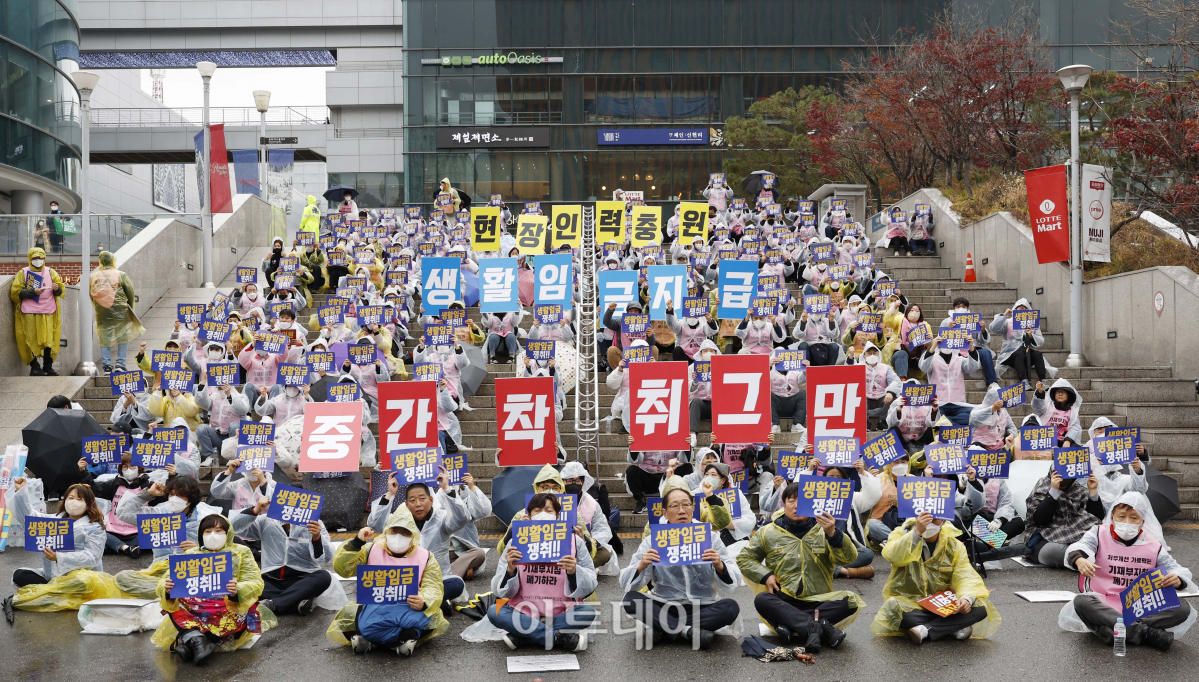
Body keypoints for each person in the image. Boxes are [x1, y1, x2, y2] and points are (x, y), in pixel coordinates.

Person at [737, 481, 865, 652]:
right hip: (784, 599)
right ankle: (820, 626)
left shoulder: (824, 529)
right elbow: (744, 558)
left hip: (819, 600)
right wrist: (766, 575)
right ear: (784, 503)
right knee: (762, 600)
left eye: (803, 500)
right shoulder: (768, 532)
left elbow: (849, 557)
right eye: (791, 500)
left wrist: (833, 535)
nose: (797, 505)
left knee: (850, 602)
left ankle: (791, 625)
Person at [1060, 492, 1191, 651]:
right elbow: (1079, 547)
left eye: (1134, 518)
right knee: (1081, 602)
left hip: (1139, 606)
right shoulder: (1098, 533)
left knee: (1182, 608)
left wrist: (1178, 578)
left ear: (1142, 522)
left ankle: (1112, 630)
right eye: (1121, 517)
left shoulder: (1153, 545)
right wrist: (1079, 559)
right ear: (1112, 517)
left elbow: (1177, 568)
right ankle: (1145, 632)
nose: (1127, 522)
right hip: (1104, 602)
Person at [621, 477, 741, 649]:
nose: (681, 510)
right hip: (665, 603)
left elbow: (733, 578)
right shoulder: (653, 540)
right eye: (674, 506)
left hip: (702, 605)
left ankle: (664, 628)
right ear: (664, 512)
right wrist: (641, 566)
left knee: (730, 607)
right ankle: (688, 632)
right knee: (630, 599)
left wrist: (720, 566)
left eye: (686, 504)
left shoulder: (710, 537)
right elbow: (627, 584)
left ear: (693, 508)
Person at [152, 513, 275, 664]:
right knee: (171, 602)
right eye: (208, 531)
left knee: (245, 607)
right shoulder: (191, 553)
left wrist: (238, 589)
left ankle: (192, 642)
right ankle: (196, 638)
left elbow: (256, 582)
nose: (213, 535)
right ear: (201, 534)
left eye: (218, 531)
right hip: (196, 606)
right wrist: (167, 587)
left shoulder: (241, 552)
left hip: (229, 606)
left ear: (227, 532)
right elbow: (165, 580)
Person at [328, 506, 448, 656]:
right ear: (386, 531)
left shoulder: (425, 556)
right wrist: (357, 542)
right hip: (374, 607)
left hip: (408, 607)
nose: (399, 536)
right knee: (348, 615)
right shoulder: (370, 549)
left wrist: (424, 601)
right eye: (394, 531)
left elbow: (433, 586)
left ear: (413, 536)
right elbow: (343, 569)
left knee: (434, 616)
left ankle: (371, 641)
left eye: (405, 532)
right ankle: (399, 642)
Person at [488, 493, 597, 651]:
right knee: (494, 612)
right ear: (529, 516)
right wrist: (510, 570)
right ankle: (555, 637)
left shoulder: (575, 542)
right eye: (537, 511)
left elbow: (591, 580)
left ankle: (525, 635)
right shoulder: (515, 542)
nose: (543, 514)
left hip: (561, 610)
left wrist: (574, 571)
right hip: (523, 610)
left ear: (558, 515)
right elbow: (500, 590)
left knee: (587, 612)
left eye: (548, 510)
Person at [872, 511, 1001, 643]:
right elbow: (893, 556)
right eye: (925, 516)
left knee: (981, 608)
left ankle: (925, 629)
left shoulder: (953, 545)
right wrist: (916, 533)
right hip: (911, 604)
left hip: (943, 605)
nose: (929, 521)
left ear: (944, 521)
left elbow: (965, 574)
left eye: (935, 517)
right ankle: (951, 627)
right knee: (894, 610)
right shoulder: (900, 534)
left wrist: (966, 599)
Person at [2, 480, 122, 621]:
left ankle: (54, 593)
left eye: (79, 499)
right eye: (70, 498)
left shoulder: (95, 527)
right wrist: (21, 491)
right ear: (64, 501)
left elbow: (92, 557)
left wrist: (59, 557)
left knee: (83, 583)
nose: (74, 502)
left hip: (82, 579)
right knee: (19, 575)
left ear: (88, 504)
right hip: (53, 575)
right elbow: (29, 519)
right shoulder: (55, 521)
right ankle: (57, 591)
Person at [367, 469, 471, 608]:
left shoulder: (442, 519)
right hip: (406, 581)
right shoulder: (399, 520)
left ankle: (424, 602)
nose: (418, 504)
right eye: (412, 500)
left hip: (435, 581)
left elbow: (462, 519)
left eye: (422, 499)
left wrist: (447, 489)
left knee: (456, 584)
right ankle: (433, 604)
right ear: (406, 503)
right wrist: (390, 494)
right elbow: (376, 525)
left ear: (431, 500)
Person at [233, 495, 333, 617]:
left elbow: (324, 559)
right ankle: (293, 602)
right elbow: (234, 528)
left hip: (301, 580)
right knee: (240, 585)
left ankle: (274, 603)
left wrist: (317, 538)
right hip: (270, 580)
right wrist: (255, 510)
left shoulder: (315, 524)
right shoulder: (266, 521)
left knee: (324, 577)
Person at [1024, 467, 1104, 568]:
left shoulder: (1078, 489)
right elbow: (1039, 520)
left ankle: (1085, 558)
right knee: (1052, 552)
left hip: (1079, 533)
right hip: (1046, 535)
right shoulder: (1042, 487)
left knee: (1102, 540)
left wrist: (1093, 491)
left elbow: (1096, 518)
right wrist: (1053, 492)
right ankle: (1078, 559)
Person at [10, 247, 64, 376]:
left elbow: (60, 290)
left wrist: (57, 288)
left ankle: (48, 366)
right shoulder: (23, 273)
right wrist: (32, 292)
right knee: (30, 339)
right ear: (30, 259)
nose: (38, 261)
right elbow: (15, 293)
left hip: (48, 311)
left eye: (41, 258)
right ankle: (34, 366)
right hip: (29, 312)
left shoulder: (51, 272)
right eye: (35, 258)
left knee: (48, 340)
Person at [89, 250, 144, 373]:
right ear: (112, 260)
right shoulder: (120, 274)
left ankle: (107, 366)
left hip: (102, 311)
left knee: (104, 339)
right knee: (122, 337)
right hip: (120, 310)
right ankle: (120, 364)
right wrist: (130, 308)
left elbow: (91, 295)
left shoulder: (93, 276)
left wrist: (99, 308)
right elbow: (130, 292)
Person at [1087, 416, 1149, 506]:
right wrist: (1091, 466)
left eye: (1108, 430)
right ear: (1094, 433)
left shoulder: (1122, 480)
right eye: (1100, 429)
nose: (1104, 433)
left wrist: (1138, 470)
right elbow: (1076, 480)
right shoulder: (1085, 451)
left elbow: (1139, 490)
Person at [989, 299, 1049, 384]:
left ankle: (1043, 380)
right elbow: (994, 328)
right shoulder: (1007, 322)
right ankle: (1023, 381)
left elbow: (1040, 341)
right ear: (1015, 309)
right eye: (1021, 308)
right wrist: (1005, 315)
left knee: (1037, 354)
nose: (1023, 311)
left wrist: (1031, 335)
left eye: (1026, 309)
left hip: (1027, 353)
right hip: (1010, 354)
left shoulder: (1032, 324)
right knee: (1019, 353)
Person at [1032, 378, 1082, 446]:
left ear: (1068, 395)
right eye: (1058, 392)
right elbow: (1037, 407)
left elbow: (1076, 427)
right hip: (1046, 439)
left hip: (1064, 441)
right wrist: (1039, 393)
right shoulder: (1047, 406)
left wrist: (1068, 440)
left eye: (1063, 392)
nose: (1060, 394)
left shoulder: (1073, 411)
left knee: (1076, 447)